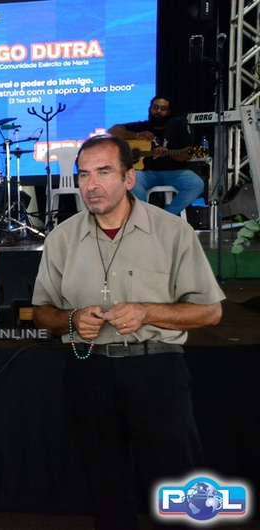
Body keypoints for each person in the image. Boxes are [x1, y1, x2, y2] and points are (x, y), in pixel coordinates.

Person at [31, 135, 224, 530]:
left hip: (156, 368)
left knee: (176, 484)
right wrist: (71, 320)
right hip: (90, 370)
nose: (91, 185)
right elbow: (41, 312)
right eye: (84, 175)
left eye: (104, 172)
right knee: (106, 489)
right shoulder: (62, 238)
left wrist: (146, 312)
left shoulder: (172, 232)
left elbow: (210, 312)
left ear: (128, 178)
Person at [108, 96, 205, 215]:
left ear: (169, 112)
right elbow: (112, 131)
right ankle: (144, 215)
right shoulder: (142, 127)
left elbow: (185, 155)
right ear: (150, 109)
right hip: (146, 173)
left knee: (196, 183)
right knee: (132, 179)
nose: (158, 111)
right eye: (155, 107)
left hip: (174, 173)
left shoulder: (178, 129)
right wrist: (137, 135)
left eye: (163, 109)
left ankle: (166, 215)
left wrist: (168, 152)